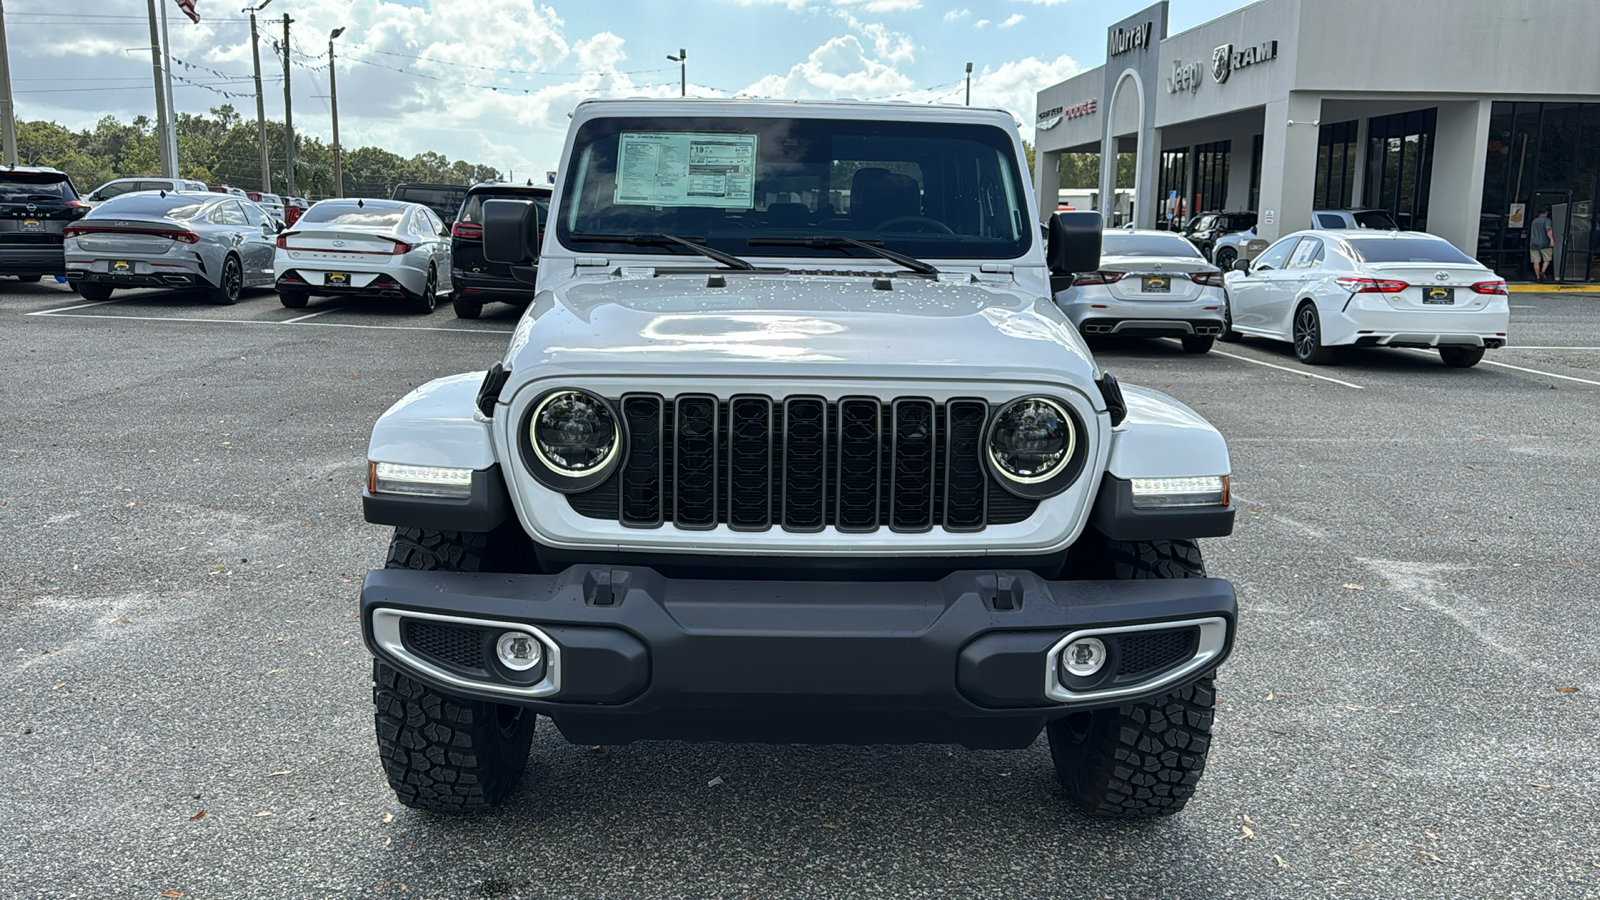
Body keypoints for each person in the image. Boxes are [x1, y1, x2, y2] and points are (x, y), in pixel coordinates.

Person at [1529, 206, 1555, 282]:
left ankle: (1537, 277)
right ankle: (1542, 272)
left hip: (1533, 243)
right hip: (1544, 243)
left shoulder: (1534, 221)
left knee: (1536, 261)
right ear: (1546, 213)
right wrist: (1552, 240)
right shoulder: (1547, 221)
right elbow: (1548, 230)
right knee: (1547, 259)